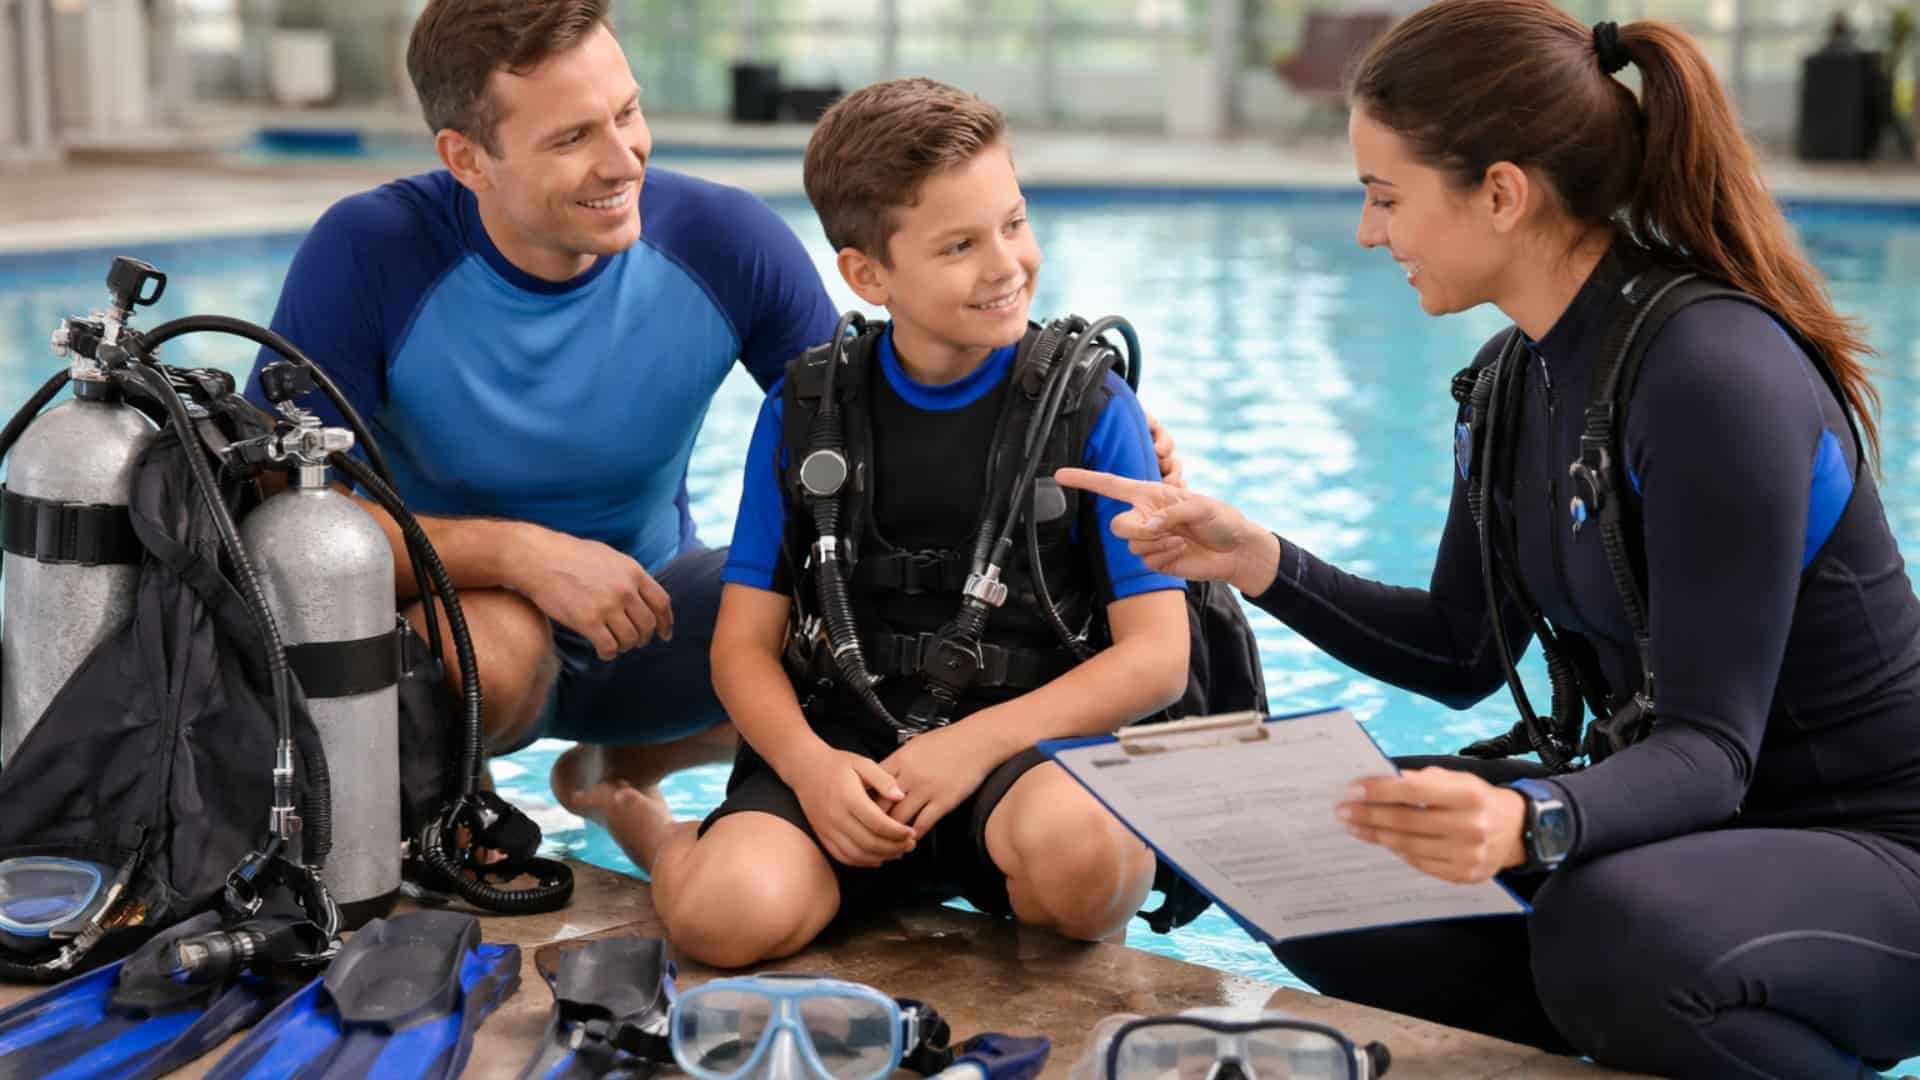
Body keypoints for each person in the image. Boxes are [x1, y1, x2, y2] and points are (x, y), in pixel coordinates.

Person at [1056, 0, 1920, 1075]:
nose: (1371, 232)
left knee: (1607, 929)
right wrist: (1255, 559)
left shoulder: (1711, 374)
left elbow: (1712, 753)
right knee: (1311, 833)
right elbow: (1463, 652)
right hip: (1688, 840)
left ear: (1502, 194)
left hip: (1871, 855)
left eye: (1386, 197)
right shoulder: (1515, 382)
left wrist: (1536, 821)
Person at [609, 78, 1192, 969]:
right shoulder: (803, 410)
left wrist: (974, 747)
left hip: (1021, 754)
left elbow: (1157, 657)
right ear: (867, 273)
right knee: (723, 920)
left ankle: (1051, 895)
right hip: (848, 755)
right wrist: (809, 767)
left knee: (1086, 865)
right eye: (960, 244)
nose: (1006, 265)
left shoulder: (1092, 405)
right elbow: (741, 649)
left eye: (1014, 223)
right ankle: (635, 814)